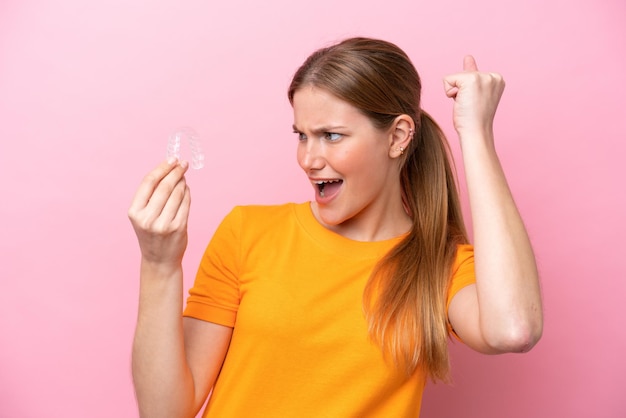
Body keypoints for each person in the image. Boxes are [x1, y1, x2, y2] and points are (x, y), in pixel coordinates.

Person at [128, 37, 543, 418]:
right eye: (302, 136)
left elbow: (514, 328)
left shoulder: (441, 265)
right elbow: (165, 413)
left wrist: (475, 134)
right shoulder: (247, 233)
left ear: (398, 136)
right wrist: (159, 264)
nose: (309, 159)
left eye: (331, 135)